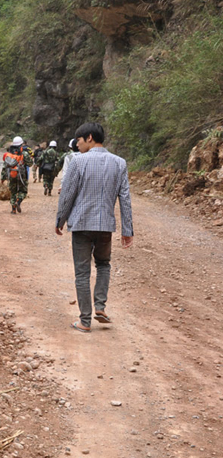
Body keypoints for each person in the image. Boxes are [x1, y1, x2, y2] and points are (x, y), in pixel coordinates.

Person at [55, 123, 134, 333]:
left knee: (82, 273)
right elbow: (125, 198)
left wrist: (60, 220)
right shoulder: (119, 163)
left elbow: (68, 194)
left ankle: (85, 321)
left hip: (81, 225)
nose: (78, 146)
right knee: (104, 265)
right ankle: (100, 307)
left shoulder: (78, 162)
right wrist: (128, 230)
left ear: (89, 138)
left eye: (79, 141)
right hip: (105, 226)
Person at [1, 136, 31, 214]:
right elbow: (30, 163)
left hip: (11, 174)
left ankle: (13, 209)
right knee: (23, 191)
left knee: (13, 192)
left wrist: (2, 178)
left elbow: (5, 166)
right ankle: (18, 201)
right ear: (21, 144)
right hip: (21, 175)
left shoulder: (9, 153)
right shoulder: (24, 153)